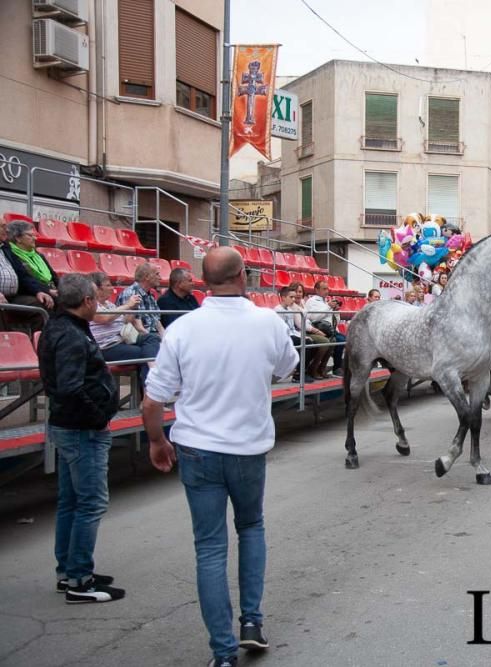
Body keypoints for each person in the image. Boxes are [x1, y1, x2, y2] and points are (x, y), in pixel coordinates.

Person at [142, 247, 299, 667]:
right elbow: (287, 367)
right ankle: (252, 621)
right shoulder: (268, 322)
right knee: (251, 528)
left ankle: (223, 653)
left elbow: (152, 402)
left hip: (197, 449)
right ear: (242, 276)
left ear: (201, 281)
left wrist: (157, 441)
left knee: (210, 548)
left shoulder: (182, 329)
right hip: (247, 448)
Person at [38, 273, 124, 603]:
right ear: (87, 301)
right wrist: (99, 416)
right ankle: (80, 580)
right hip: (81, 429)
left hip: (71, 426)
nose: (98, 304)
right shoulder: (70, 335)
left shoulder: (61, 327)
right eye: (96, 300)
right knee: (90, 503)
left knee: (72, 502)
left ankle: (69, 571)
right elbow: (70, 387)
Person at [89, 272, 160, 383]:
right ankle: (151, 389)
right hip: (107, 346)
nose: (112, 288)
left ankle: (152, 374)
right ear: (97, 289)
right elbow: (104, 318)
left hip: (123, 339)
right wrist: (127, 305)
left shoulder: (110, 304)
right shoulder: (92, 305)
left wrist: (133, 308)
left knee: (153, 338)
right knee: (145, 354)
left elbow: (126, 321)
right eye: (107, 285)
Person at [0, 218, 54, 331]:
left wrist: (38, 291)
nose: (7, 230)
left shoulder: (6, 248)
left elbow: (22, 275)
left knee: (42, 304)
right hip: (2, 297)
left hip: (13, 297)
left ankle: (41, 344)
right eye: (3, 227)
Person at [305, 279, 345, 375]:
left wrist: (336, 311)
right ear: (317, 290)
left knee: (342, 339)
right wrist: (328, 306)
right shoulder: (312, 301)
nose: (327, 291)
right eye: (324, 289)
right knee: (339, 340)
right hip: (319, 329)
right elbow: (314, 318)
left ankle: (323, 368)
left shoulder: (326, 302)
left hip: (330, 329)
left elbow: (336, 321)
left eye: (327, 289)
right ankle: (333, 367)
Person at [118, 262, 165, 337]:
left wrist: (166, 338)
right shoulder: (131, 294)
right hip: (141, 338)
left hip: (153, 336)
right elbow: (137, 328)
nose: (160, 278)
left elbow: (158, 324)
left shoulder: (150, 296)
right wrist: (156, 339)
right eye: (157, 274)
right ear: (147, 277)